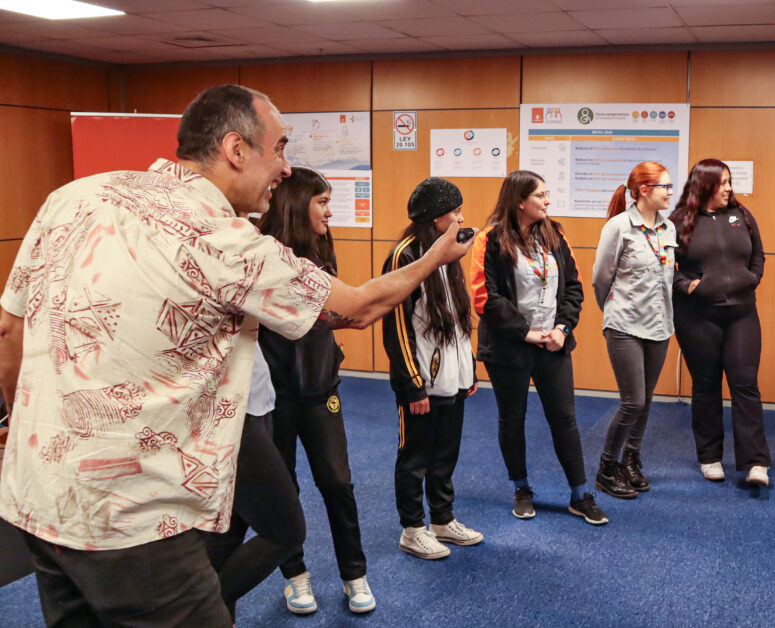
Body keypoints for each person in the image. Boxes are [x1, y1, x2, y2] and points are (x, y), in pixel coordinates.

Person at [0, 84, 471, 626]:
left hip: (36, 494)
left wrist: (20, 423)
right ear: (235, 149)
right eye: (280, 148)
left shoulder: (75, 197)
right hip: (134, 518)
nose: (287, 168)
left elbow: (11, 329)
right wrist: (436, 256)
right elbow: (359, 308)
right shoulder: (224, 241)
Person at [257, 167, 374, 614]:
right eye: (321, 202)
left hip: (322, 389)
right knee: (283, 491)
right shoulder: (263, 254)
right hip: (277, 396)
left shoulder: (323, 250)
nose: (330, 210)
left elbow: (332, 314)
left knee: (338, 484)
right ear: (295, 205)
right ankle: (296, 577)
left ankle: (355, 576)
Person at [468, 170, 606, 525]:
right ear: (519, 201)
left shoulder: (555, 234)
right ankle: (522, 488)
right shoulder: (490, 240)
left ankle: (579, 494)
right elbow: (485, 298)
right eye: (541, 195)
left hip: (553, 344)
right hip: (510, 347)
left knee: (565, 419)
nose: (547, 201)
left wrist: (562, 327)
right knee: (512, 419)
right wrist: (525, 332)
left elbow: (574, 287)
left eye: (547, 194)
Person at [383, 178, 482, 560]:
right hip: (420, 380)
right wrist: (413, 384)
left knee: (445, 452)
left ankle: (442, 519)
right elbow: (398, 327)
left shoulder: (450, 250)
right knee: (415, 456)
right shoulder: (405, 256)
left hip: (451, 378)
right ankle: (413, 529)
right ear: (437, 218)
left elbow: (458, 318)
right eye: (455, 212)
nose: (461, 218)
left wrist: (468, 369)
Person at [670, 159, 770, 486]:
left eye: (729, 181)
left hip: (742, 312)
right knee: (707, 386)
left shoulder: (742, 215)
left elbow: (758, 255)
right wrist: (688, 285)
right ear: (705, 185)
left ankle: (755, 462)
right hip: (697, 316)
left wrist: (751, 278)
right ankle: (710, 457)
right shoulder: (678, 221)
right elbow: (664, 267)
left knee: (745, 385)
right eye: (723, 182)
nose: (729, 188)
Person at [591, 161, 676, 499]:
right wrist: (612, 310)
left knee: (646, 400)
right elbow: (601, 278)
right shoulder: (618, 226)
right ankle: (607, 468)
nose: (671, 193)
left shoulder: (668, 229)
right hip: (624, 324)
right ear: (644, 190)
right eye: (665, 187)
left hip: (659, 324)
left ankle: (630, 460)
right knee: (633, 401)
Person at [202, 346, 305, 622]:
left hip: (256, 403)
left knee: (227, 533)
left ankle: (219, 617)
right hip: (231, 414)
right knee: (287, 531)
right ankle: (199, 610)